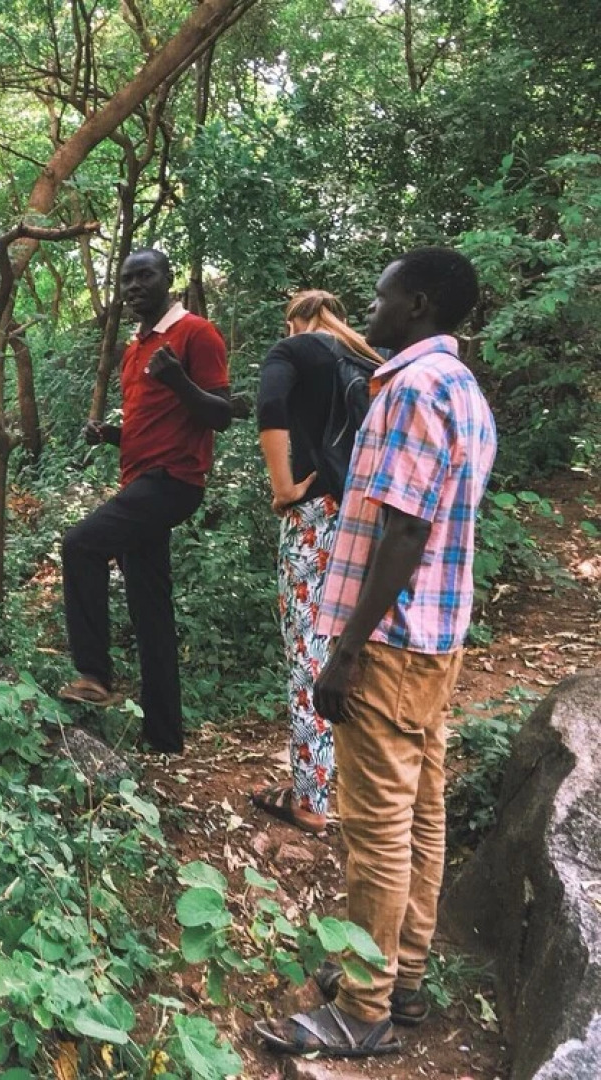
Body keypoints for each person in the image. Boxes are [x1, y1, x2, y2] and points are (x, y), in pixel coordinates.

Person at [256, 248, 496, 1059]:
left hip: (388, 645)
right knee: (422, 810)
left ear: (418, 304)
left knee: (377, 828)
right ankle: (405, 977)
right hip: (436, 638)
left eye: (384, 296)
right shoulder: (463, 388)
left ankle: (363, 1008)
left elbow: (404, 531)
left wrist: (344, 652)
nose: (371, 308)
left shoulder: (413, 389)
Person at [58, 248, 233, 754]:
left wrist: (178, 378)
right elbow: (154, 423)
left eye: (144, 276)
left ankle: (93, 674)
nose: (133, 286)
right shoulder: (134, 349)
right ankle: (165, 737)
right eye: (126, 279)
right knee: (149, 608)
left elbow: (222, 414)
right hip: (140, 480)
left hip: (174, 480)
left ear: (168, 279)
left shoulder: (196, 333)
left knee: (81, 545)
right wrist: (112, 435)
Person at [250, 292, 385, 835]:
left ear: (297, 319)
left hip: (316, 517)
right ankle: (355, 779)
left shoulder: (294, 349)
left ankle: (310, 799)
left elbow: (269, 406)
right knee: (354, 648)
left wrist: (283, 486)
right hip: (371, 518)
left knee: (309, 650)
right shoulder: (370, 360)